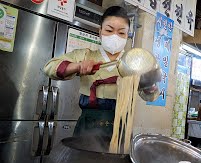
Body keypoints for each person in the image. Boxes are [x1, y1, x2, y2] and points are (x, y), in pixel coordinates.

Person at [44, 6, 134, 138]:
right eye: (109, 30)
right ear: (100, 31)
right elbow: (49, 67)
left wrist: (150, 84)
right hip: (87, 126)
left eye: (121, 33)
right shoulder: (85, 55)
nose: (115, 37)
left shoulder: (132, 62)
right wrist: (78, 66)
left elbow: (150, 94)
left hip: (120, 130)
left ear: (127, 36)